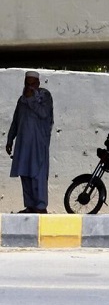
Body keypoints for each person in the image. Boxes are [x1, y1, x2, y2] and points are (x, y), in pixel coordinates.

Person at [6, 71, 54, 214]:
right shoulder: (21, 101)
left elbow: (44, 113)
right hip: (22, 144)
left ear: (38, 84)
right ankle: (30, 205)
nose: (29, 87)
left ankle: (40, 206)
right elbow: (16, 121)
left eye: (32, 84)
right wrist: (10, 139)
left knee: (37, 174)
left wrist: (31, 99)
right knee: (25, 174)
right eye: (27, 84)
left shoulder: (44, 96)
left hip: (38, 143)